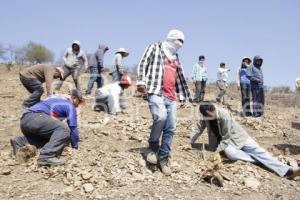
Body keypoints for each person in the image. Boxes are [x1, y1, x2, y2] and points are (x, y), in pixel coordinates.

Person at [190, 101, 300, 178]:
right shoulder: (206, 115)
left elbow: (226, 137)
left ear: (213, 109)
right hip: (227, 144)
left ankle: (287, 171)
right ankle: (260, 162)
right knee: (230, 153)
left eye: (211, 115)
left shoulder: (224, 114)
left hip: (240, 139)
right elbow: (198, 128)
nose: (210, 117)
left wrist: (217, 152)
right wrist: (191, 141)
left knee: (260, 152)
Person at [136, 29, 192, 175]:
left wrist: (182, 96)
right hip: (155, 91)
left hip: (171, 96)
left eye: (183, 42)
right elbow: (143, 63)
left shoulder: (176, 57)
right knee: (160, 117)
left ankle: (163, 158)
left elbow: (179, 77)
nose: (180, 44)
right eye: (179, 40)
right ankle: (153, 148)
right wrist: (141, 82)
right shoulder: (154, 47)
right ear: (172, 38)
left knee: (171, 128)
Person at [10, 89, 85, 166]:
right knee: (64, 130)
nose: (78, 105)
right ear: (74, 98)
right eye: (78, 101)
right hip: (36, 117)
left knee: (51, 139)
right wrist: (75, 147)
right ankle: (47, 156)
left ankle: (20, 141)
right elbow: (73, 128)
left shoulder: (55, 98)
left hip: (25, 120)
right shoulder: (69, 105)